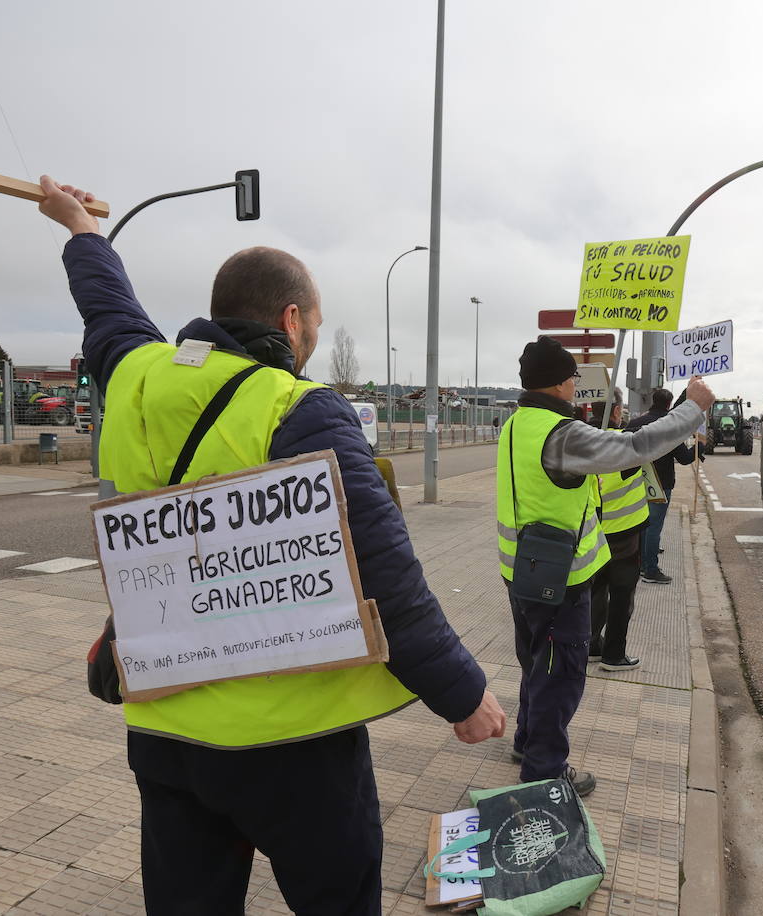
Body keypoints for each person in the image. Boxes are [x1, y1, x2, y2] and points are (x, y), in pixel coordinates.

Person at [37, 176, 504, 916]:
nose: (313, 342)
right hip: (293, 744)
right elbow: (382, 569)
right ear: (291, 321)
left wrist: (80, 231)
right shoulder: (298, 407)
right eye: (315, 327)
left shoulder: (133, 376)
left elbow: (108, 310)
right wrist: (464, 694)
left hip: (163, 728)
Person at [498, 337, 712, 796]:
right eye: (573, 376)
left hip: (521, 572)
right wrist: (692, 410)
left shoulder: (517, 424)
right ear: (558, 383)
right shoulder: (563, 434)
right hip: (561, 581)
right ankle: (544, 771)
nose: (577, 383)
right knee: (561, 674)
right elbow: (634, 447)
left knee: (537, 663)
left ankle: (526, 741)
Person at [586, 392, 648, 672]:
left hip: (593, 533)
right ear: (615, 413)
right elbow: (662, 433)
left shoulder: (582, 442)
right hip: (624, 535)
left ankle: (590, 646)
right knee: (622, 595)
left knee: (595, 591)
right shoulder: (623, 444)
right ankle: (614, 655)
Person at [628, 389, 701, 584]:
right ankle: (650, 569)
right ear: (668, 404)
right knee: (653, 527)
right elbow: (684, 459)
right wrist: (698, 448)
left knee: (640, 525)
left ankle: (639, 565)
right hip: (661, 484)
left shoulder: (634, 424)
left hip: (635, 482)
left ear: (653, 400)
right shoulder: (669, 427)